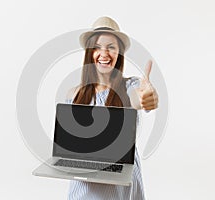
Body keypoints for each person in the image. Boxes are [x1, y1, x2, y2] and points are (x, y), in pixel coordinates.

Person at [65, 16, 158, 200]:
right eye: (97, 47)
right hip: (86, 186)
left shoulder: (130, 86)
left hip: (121, 184)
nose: (104, 53)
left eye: (111, 47)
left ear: (119, 54)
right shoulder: (74, 94)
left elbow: (138, 98)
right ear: (89, 53)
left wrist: (147, 98)